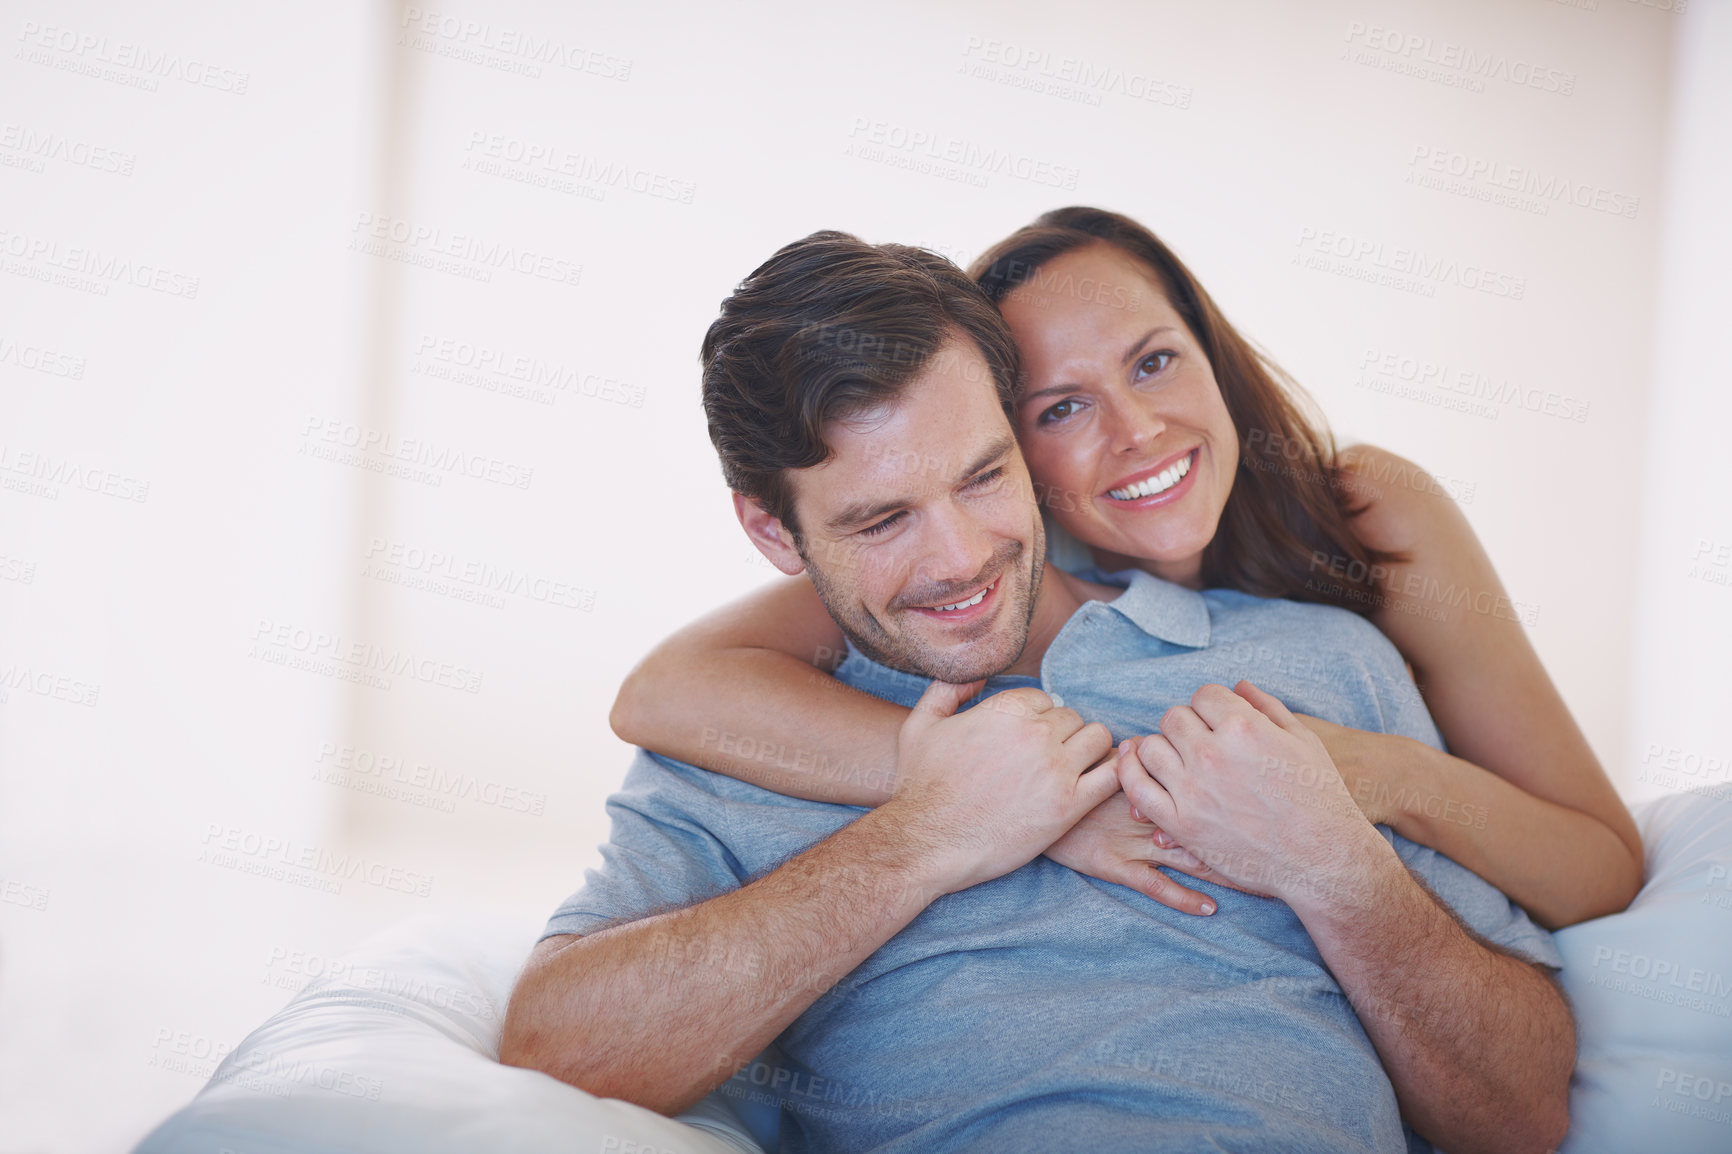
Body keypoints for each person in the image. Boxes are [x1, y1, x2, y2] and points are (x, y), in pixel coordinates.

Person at [501, 232, 1575, 1154]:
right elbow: (555, 1044)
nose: (962, 558)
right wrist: (923, 837)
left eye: (981, 476)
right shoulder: (756, 734)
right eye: (883, 520)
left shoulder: (1318, 663)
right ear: (771, 531)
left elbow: (1521, 1111)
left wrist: (1335, 866)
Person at [610, 206, 1641, 930]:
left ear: (1210, 351)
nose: (1139, 430)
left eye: (1153, 361)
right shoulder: (990, 554)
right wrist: (982, 793)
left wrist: (1381, 773)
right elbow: (668, 688)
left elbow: (1599, 867)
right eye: (1061, 407)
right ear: (1005, 448)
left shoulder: (1367, 511)